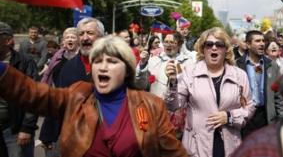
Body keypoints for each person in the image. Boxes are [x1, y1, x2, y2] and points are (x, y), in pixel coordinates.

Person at [0, 35, 187, 157]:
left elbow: (173, 152)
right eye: (97, 61)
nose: (103, 67)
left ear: (127, 71)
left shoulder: (151, 104)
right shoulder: (78, 94)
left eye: (112, 62)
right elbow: (34, 94)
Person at [166, 27, 255, 157]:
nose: (214, 48)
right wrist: (173, 83)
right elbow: (173, 105)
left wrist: (230, 117)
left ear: (226, 50)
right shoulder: (190, 72)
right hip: (197, 146)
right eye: (209, 44)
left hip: (229, 145)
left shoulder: (239, 75)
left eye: (219, 45)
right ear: (203, 49)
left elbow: (249, 107)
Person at [236, 30, 283, 138]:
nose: (262, 44)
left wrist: (281, 120)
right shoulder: (237, 66)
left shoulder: (272, 66)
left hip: (266, 117)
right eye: (258, 41)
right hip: (245, 118)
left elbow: (278, 96)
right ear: (248, 44)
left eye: (263, 41)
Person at [39, 27, 80, 157]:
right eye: (67, 37)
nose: (69, 39)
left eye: (73, 37)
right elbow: (47, 76)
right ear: (62, 41)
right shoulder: (57, 57)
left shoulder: (84, 58)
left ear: (78, 40)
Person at [0, 22, 38, 157]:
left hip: (14, 130)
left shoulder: (24, 63)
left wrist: (26, 128)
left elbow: (33, 97)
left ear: (7, 40)